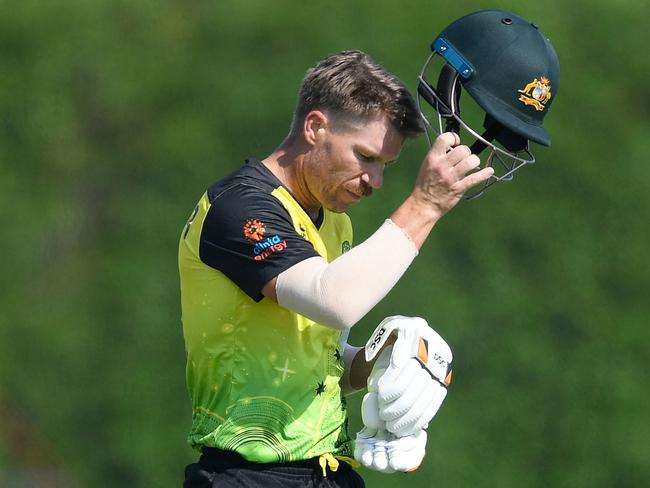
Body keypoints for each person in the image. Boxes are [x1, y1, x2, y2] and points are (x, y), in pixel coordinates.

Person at [179, 10, 558, 488]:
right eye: (365, 157)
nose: (375, 181)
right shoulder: (237, 207)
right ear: (315, 127)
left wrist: (379, 360)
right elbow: (332, 300)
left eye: (386, 165)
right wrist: (424, 205)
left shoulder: (333, 221)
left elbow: (321, 363)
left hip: (328, 473)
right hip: (245, 476)